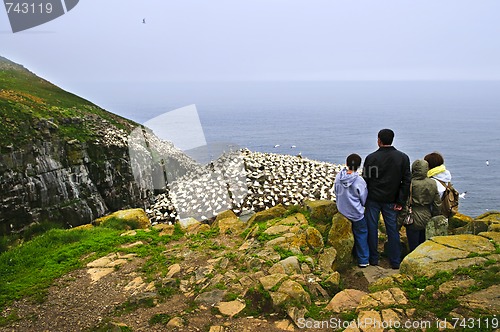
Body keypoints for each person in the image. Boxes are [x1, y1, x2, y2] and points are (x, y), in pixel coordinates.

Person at [363, 129, 411, 269]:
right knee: (392, 231)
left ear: (379, 140)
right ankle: (395, 261)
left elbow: (366, 180)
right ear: (392, 139)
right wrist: (400, 201)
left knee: (372, 229)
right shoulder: (403, 158)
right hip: (392, 200)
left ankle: (373, 259)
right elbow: (406, 182)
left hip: (373, 199)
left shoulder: (371, 158)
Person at [334, 153, 369, 268]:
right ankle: (363, 260)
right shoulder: (360, 180)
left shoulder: (339, 177)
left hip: (342, 211)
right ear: (359, 166)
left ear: (347, 163)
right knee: (362, 233)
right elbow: (363, 198)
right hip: (356, 213)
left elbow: (336, 192)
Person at [405, 159, 442, 252]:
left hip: (413, 215)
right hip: (427, 214)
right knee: (423, 242)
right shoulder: (432, 183)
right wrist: (435, 215)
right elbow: (437, 203)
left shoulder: (410, 183)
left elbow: (405, 202)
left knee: (413, 243)